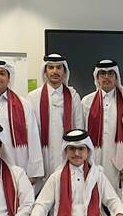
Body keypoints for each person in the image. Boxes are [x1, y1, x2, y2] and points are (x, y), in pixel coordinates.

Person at [27, 54, 83, 192]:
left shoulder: (73, 95)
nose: (55, 71)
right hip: (42, 153)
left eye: (59, 68)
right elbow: (29, 131)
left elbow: (79, 126)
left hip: (67, 152)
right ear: (45, 71)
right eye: (51, 67)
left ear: (64, 72)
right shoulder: (33, 96)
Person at [81, 59, 123, 189]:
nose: (106, 77)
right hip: (93, 160)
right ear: (97, 77)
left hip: (118, 165)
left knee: (117, 202)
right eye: (103, 73)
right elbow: (81, 136)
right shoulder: (87, 102)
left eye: (110, 73)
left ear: (116, 77)